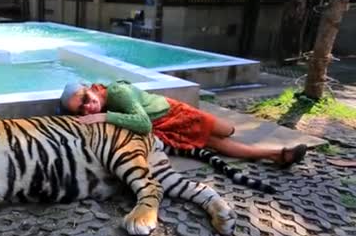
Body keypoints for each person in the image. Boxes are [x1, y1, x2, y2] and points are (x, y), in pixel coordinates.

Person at [60, 80, 308, 168]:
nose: (87, 107)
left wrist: (104, 117)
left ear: (91, 87)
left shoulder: (116, 92)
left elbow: (143, 124)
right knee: (216, 144)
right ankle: (277, 155)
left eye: (84, 99)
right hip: (164, 128)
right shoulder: (104, 103)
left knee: (227, 130)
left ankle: (276, 154)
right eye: (80, 109)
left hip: (173, 114)